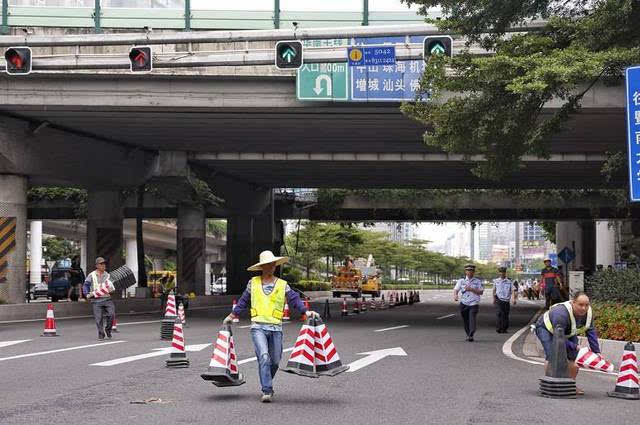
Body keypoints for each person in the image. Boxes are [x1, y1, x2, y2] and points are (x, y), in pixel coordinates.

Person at [223, 250, 318, 403]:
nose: (271, 267)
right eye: (268, 265)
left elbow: (294, 299)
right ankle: (267, 390)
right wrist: (232, 316)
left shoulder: (282, 285)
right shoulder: (252, 283)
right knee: (264, 357)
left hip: (276, 328)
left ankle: (266, 379)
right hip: (258, 327)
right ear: (262, 267)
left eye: (273, 265)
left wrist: (306, 312)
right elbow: (243, 301)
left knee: (274, 361)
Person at [534, 292, 602, 395]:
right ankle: (550, 385)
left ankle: (571, 385)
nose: (584, 308)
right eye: (580, 305)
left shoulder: (588, 314)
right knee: (552, 355)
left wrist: (596, 352)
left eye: (586, 305)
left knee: (574, 358)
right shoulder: (560, 313)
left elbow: (591, 331)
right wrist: (575, 346)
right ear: (573, 303)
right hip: (547, 330)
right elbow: (558, 339)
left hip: (567, 332)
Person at [82, 257, 115, 340]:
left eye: (104, 264)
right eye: (101, 264)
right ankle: (101, 334)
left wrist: (111, 289)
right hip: (96, 300)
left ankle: (108, 330)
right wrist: (86, 294)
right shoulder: (92, 275)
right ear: (97, 265)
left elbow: (112, 286)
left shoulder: (108, 275)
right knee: (98, 318)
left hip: (107, 299)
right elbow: (86, 285)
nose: (104, 265)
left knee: (111, 315)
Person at [453, 263, 484, 342]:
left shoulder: (477, 281)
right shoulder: (461, 281)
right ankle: (468, 335)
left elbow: (481, 292)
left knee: (472, 319)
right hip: (464, 303)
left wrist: (471, 289)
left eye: (471, 270)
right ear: (465, 271)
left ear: (473, 272)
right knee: (466, 320)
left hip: (473, 303)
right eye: (468, 270)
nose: (469, 272)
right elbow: (456, 289)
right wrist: (455, 295)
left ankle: (471, 333)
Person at [492, 267, 517, 333]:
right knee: (499, 313)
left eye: (503, 272)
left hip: (506, 300)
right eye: (500, 272)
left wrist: (513, 299)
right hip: (498, 299)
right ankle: (498, 328)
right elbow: (494, 290)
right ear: (498, 273)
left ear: (505, 273)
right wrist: (493, 299)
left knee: (505, 315)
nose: (502, 273)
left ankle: (504, 328)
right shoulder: (496, 281)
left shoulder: (509, 282)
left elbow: (513, 290)